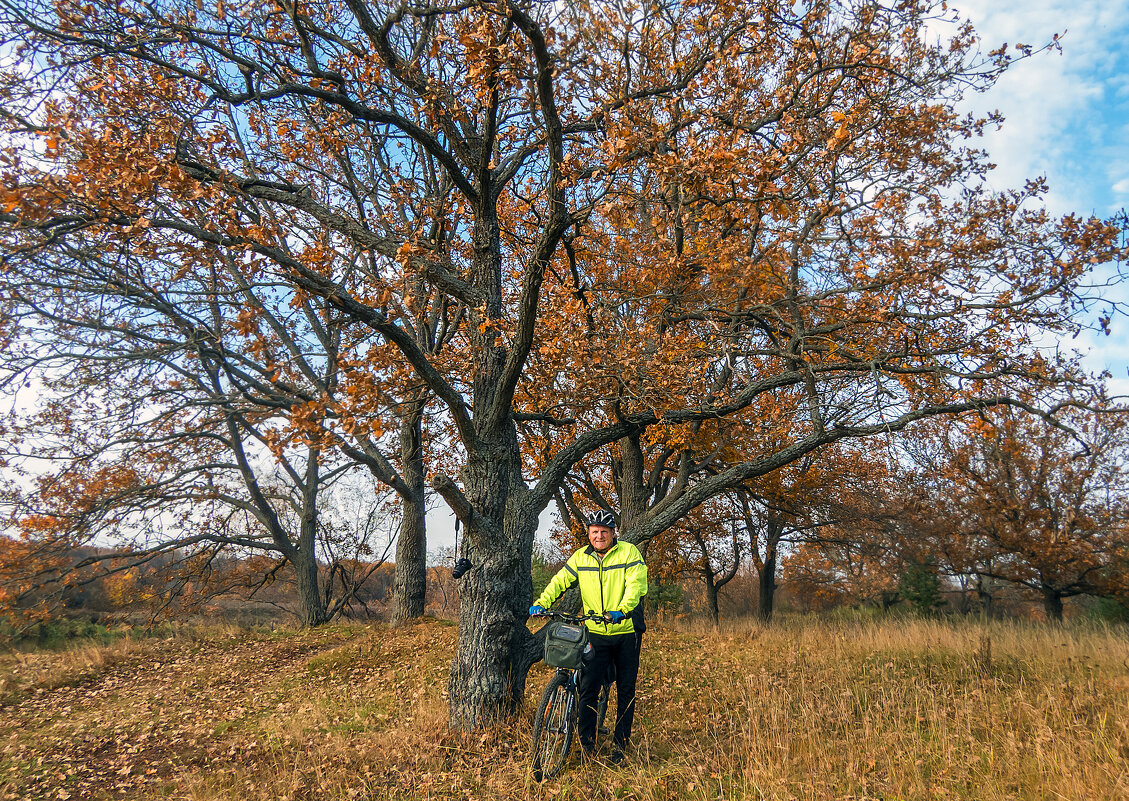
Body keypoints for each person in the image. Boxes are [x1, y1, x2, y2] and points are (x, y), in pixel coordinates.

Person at [529, 510, 647, 764]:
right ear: (589, 534)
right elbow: (561, 580)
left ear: (614, 532)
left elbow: (636, 585)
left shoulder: (629, 553)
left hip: (625, 631)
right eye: (594, 532)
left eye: (604, 531)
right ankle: (587, 745)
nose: (599, 536)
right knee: (588, 688)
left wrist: (623, 609)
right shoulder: (581, 557)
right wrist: (542, 602)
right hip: (595, 632)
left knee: (626, 690)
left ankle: (620, 747)